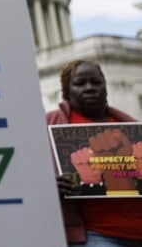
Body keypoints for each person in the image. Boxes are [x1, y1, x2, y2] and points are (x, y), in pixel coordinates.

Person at [46, 59, 142, 246]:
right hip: (96, 234)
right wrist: (48, 183)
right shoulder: (51, 123)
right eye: (80, 83)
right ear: (67, 91)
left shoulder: (128, 126)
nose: (90, 88)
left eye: (96, 82)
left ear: (106, 88)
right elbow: (24, 172)